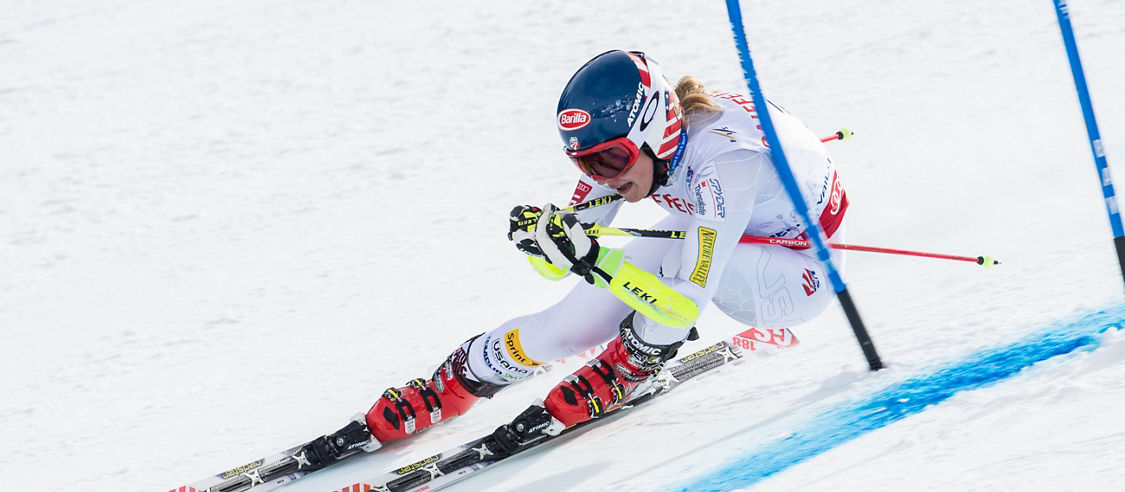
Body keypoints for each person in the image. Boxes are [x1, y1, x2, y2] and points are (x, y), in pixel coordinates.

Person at [298, 49, 849, 466]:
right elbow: (568, 253)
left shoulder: (726, 165)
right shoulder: (636, 156)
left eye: (610, 160)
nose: (601, 178)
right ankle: (455, 383)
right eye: (586, 164)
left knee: (679, 269)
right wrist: (549, 238)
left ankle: (629, 365)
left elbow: (683, 307)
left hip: (797, 273)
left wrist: (597, 260)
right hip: (722, 225)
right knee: (572, 320)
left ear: (656, 131)